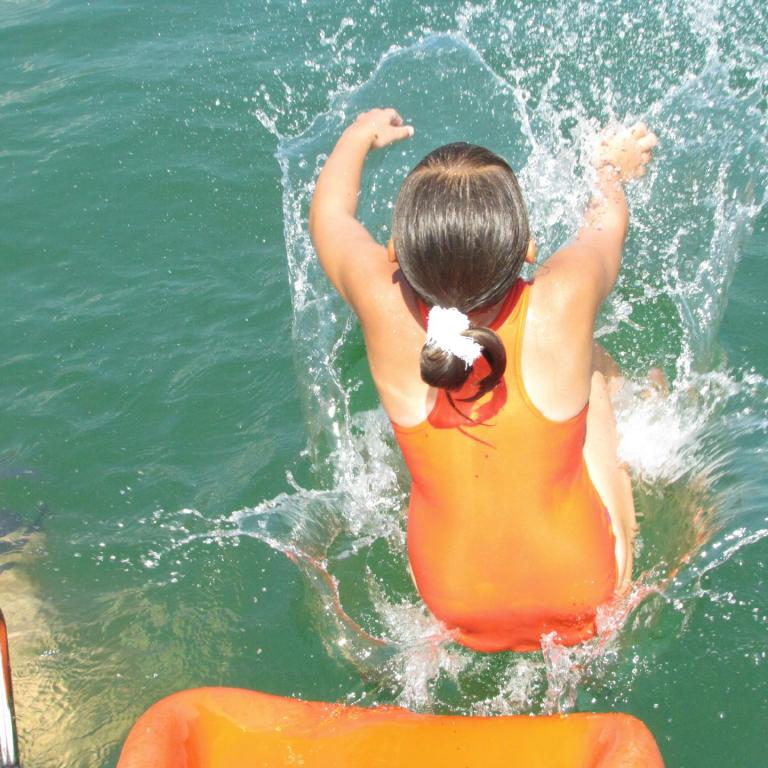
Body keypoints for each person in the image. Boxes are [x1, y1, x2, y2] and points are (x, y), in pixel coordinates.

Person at [309, 108, 657, 652]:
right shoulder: (565, 295)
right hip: (582, 592)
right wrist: (612, 171)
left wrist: (358, 137)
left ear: (396, 252)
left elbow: (329, 218)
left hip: (450, 602)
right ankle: (649, 416)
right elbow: (605, 226)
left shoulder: (381, 304)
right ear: (529, 249)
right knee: (590, 363)